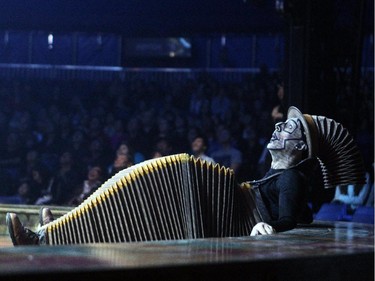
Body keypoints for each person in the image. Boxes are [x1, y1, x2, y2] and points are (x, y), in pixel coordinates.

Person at [6, 106, 365, 245]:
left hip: (233, 217)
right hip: (226, 201)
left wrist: (271, 228)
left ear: (300, 147)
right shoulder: (276, 173)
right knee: (136, 182)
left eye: (287, 130)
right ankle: (53, 230)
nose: (276, 131)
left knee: (139, 198)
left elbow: (289, 218)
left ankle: (47, 236)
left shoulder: (292, 180)